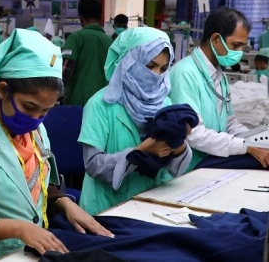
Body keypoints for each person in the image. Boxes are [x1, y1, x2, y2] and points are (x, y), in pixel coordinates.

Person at [0, 29, 113, 262]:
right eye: (29, 106)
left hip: (20, 254)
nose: (36, 118)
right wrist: (16, 229)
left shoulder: (34, 128)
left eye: (45, 111)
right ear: (4, 90)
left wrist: (63, 203)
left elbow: (32, 184)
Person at [78, 28, 192, 215]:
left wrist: (177, 145)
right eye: (150, 66)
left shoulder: (164, 101)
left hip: (152, 202)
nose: (156, 75)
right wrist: (142, 151)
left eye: (163, 69)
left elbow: (174, 168)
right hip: (107, 208)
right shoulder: (100, 104)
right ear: (129, 61)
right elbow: (94, 165)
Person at [169, 7, 269, 170]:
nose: (240, 53)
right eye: (236, 45)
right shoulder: (184, 74)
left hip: (212, 156)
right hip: (192, 165)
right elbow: (194, 135)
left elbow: (229, 122)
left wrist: (256, 139)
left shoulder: (219, 75)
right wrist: (246, 146)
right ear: (216, 40)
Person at [62, 0, 113, 107]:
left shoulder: (76, 38)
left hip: (79, 103)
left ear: (81, 17)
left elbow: (64, 72)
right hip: (104, 104)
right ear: (101, 16)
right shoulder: (110, 42)